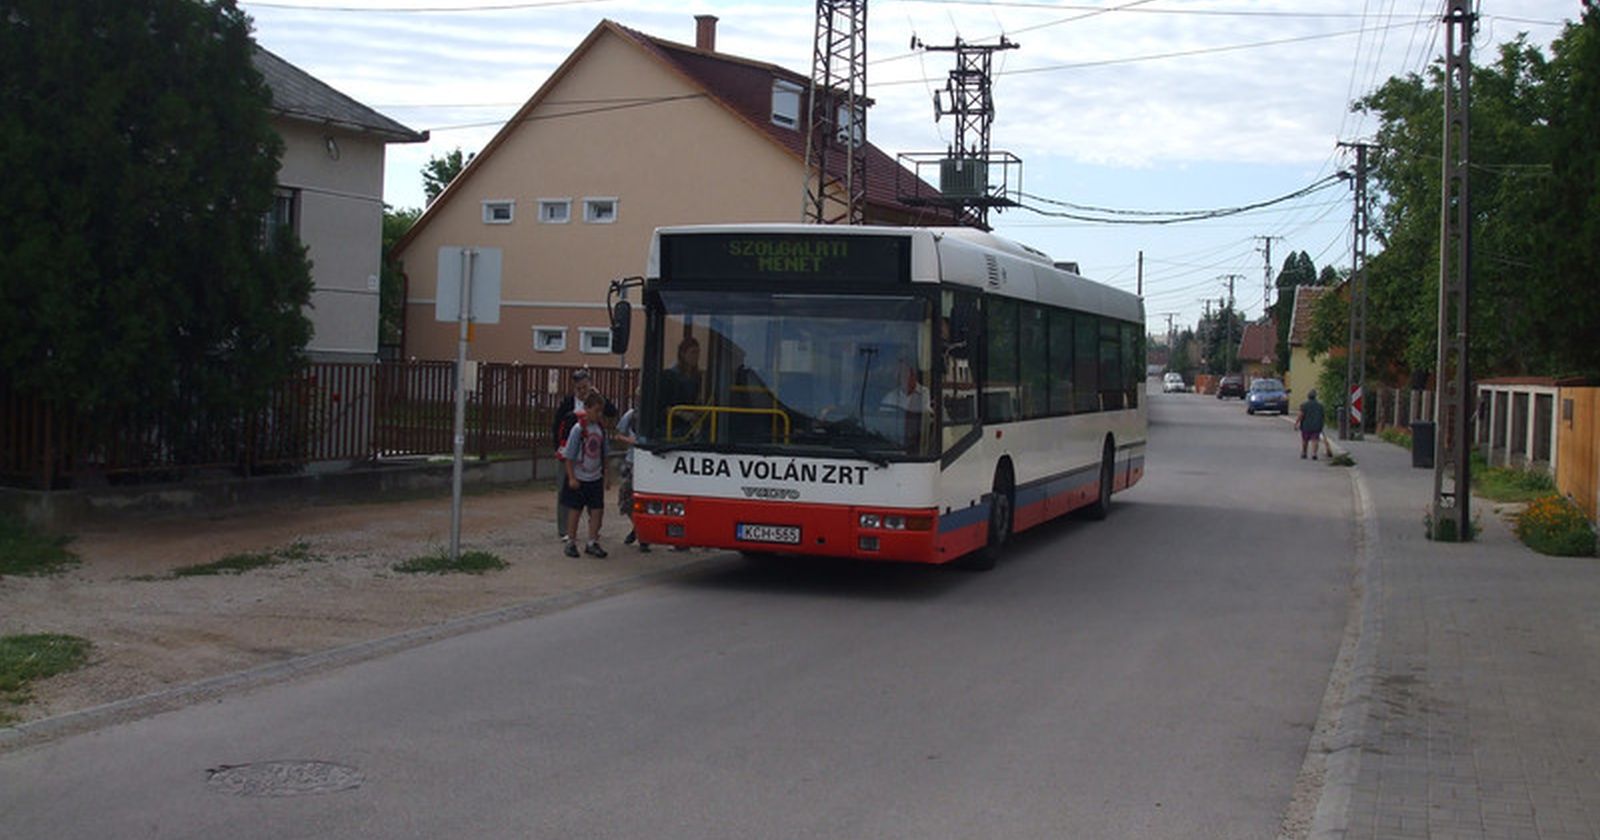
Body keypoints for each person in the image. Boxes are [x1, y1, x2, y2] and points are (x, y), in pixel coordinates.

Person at [551, 369, 617, 540]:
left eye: (585, 388)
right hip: (571, 454)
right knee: (566, 491)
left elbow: (612, 411)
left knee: (592, 495)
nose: (582, 392)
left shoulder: (596, 403)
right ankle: (564, 530)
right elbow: (557, 425)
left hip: (591, 456)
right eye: (579, 388)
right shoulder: (568, 404)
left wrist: (598, 395)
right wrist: (558, 448)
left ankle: (593, 531)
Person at [561, 392, 609, 558]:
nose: (599, 414)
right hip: (580, 477)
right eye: (596, 410)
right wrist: (572, 477)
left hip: (595, 477)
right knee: (575, 510)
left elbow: (605, 454)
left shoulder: (600, 429)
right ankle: (571, 541)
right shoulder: (578, 429)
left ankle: (592, 541)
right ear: (587, 409)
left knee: (597, 510)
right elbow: (569, 456)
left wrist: (606, 476)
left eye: (601, 411)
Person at [613, 393, 648, 552]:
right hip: (631, 460)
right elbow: (618, 435)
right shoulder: (631, 414)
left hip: (646, 461)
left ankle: (642, 534)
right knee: (626, 498)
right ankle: (637, 528)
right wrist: (631, 441)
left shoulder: (652, 415)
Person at [1295, 388, 1327, 460]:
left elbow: (1301, 415)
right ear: (1315, 396)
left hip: (1306, 426)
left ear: (1308, 396)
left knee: (1305, 440)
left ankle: (1304, 453)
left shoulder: (1304, 405)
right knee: (1315, 440)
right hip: (1316, 426)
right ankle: (1314, 454)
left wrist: (1296, 423)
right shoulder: (1320, 406)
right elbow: (1323, 416)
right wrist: (1322, 424)